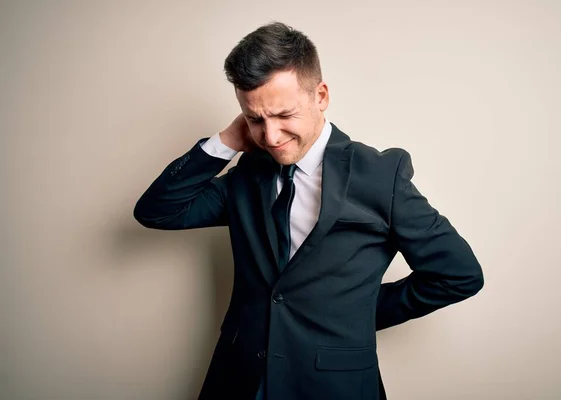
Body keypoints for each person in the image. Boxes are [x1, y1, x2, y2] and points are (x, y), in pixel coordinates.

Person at [133, 21, 484, 400]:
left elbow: (459, 275)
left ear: (321, 95)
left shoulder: (380, 176)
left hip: (334, 384)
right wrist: (228, 140)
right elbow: (158, 212)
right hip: (239, 379)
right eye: (255, 119)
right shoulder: (248, 173)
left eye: (284, 115)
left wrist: (360, 313)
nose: (270, 137)